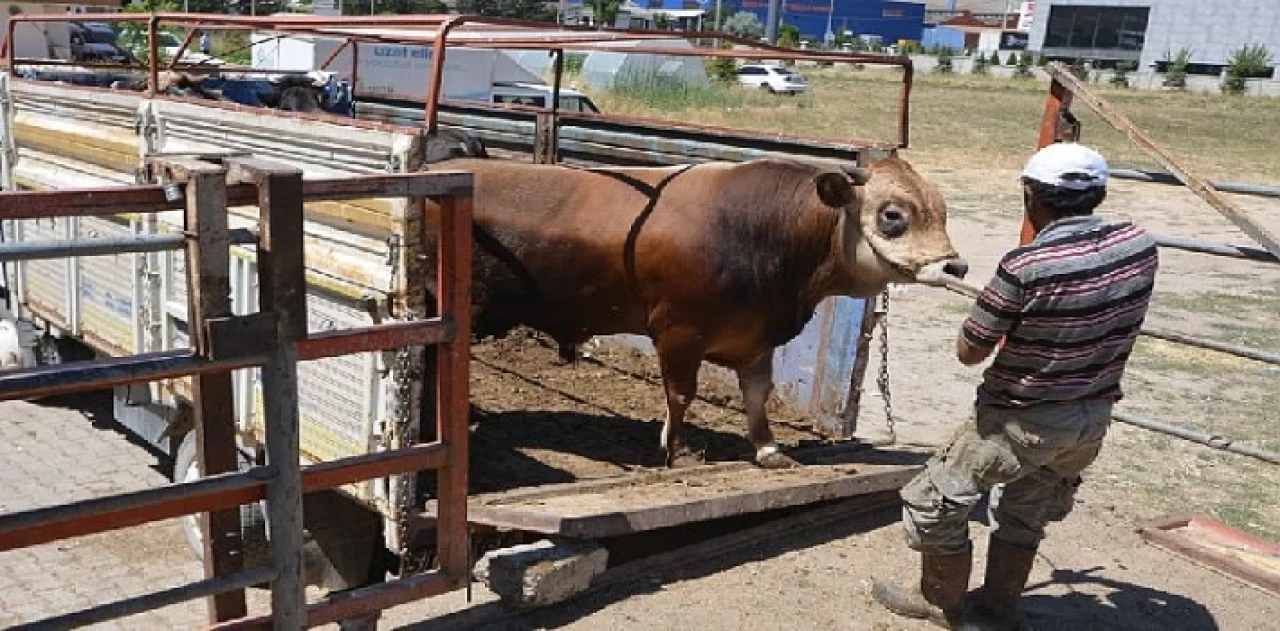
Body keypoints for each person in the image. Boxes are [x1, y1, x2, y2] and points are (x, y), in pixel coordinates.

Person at [871, 142, 1160, 630]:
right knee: (1027, 509)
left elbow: (970, 350)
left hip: (1020, 421)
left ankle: (943, 604)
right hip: (1090, 419)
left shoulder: (1025, 266)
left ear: (1031, 196)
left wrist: (989, 302)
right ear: (1099, 194)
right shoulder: (1138, 245)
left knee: (933, 503)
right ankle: (999, 608)